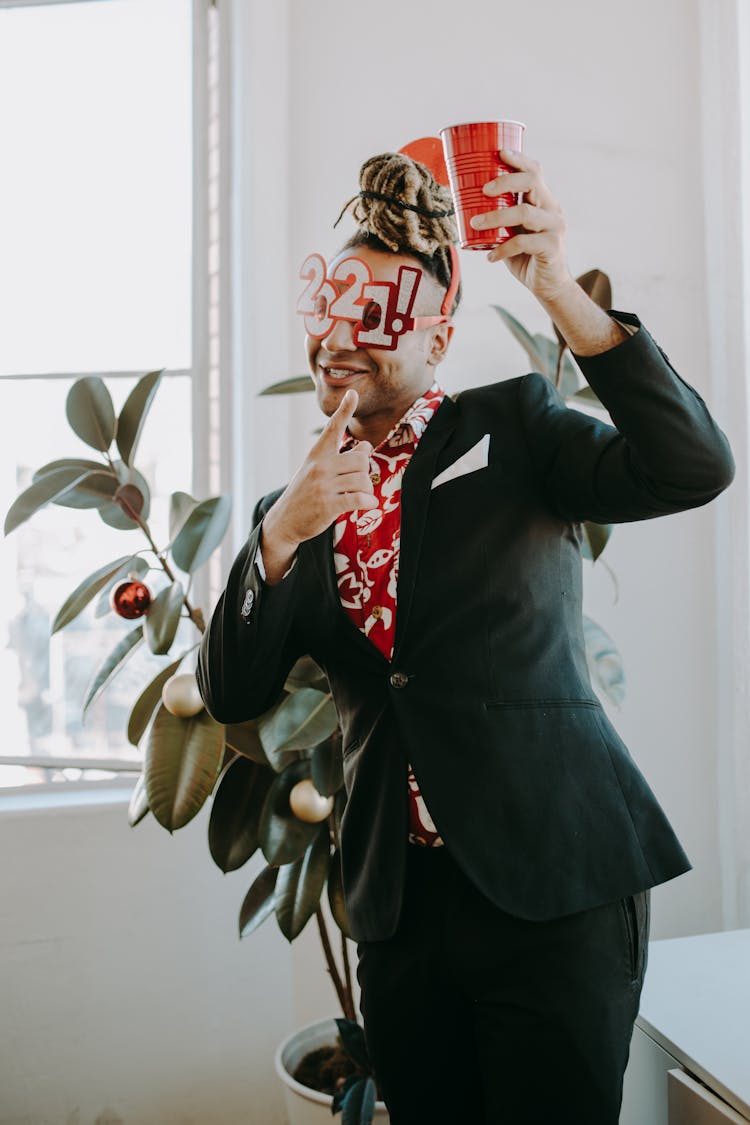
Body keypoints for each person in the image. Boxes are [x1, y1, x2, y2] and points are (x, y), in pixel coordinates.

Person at [197, 148, 734, 1124]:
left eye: (380, 315)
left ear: (436, 331)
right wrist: (279, 536)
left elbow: (691, 466)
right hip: (401, 916)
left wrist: (558, 289)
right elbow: (231, 693)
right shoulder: (293, 517)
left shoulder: (519, 428)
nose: (342, 338)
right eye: (332, 310)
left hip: (554, 887)